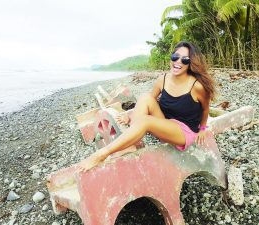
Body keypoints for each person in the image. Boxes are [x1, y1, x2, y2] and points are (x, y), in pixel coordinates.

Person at [79, 41, 216, 171]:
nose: (178, 62)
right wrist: (131, 114)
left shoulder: (197, 86)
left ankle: (101, 154)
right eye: (175, 57)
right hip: (165, 124)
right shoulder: (162, 79)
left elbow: (205, 109)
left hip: (183, 132)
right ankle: (132, 144)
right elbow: (149, 102)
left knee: (145, 121)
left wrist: (203, 128)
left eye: (184, 59)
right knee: (145, 97)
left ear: (190, 63)